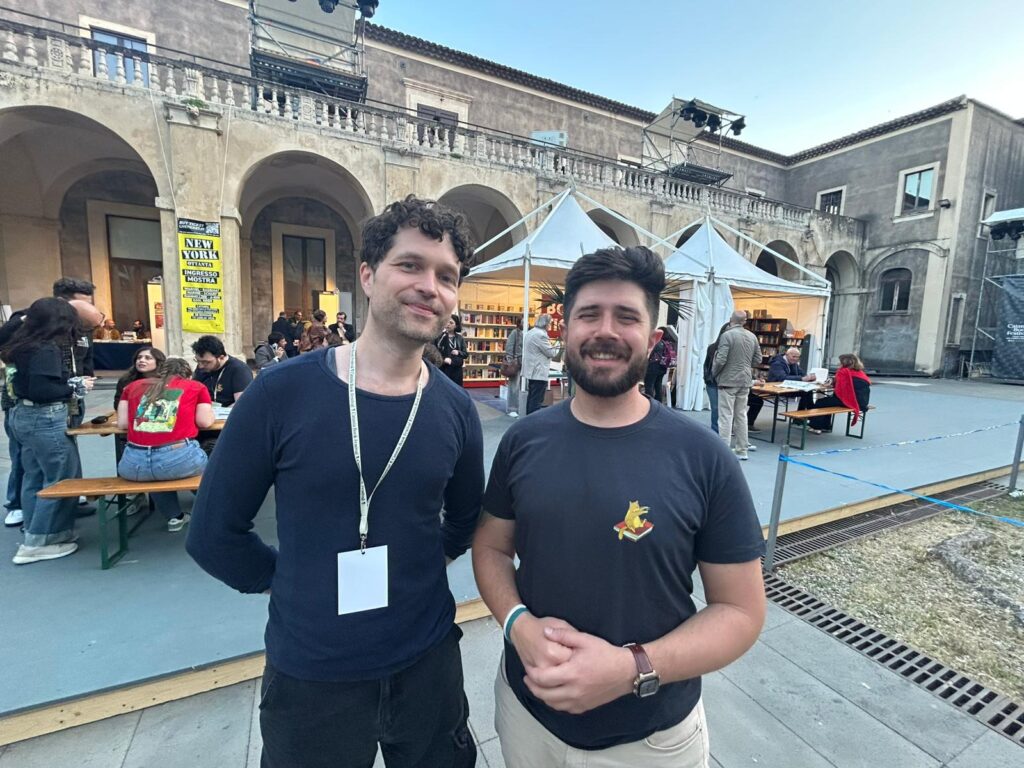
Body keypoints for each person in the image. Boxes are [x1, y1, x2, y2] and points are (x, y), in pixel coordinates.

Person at [187, 195, 483, 768]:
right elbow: (214, 533)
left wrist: (419, 566)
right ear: (368, 276)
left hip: (428, 665)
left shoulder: (455, 410)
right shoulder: (280, 394)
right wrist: (291, 581)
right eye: (411, 265)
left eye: (447, 276)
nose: (431, 286)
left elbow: (466, 519)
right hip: (312, 676)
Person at [473, 246, 766, 768]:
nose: (605, 330)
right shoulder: (524, 441)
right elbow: (492, 547)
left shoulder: (704, 457)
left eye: (626, 316)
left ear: (653, 340)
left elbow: (740, 611)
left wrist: (632, 667)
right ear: (564, 331)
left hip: (651, 740)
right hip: (525, 718)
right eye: (589, 314)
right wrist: (517, 622)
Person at [0, 297, 96, 564]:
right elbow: (43, 390)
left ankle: (33, 529)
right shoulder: (46, 349)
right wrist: (74, 387)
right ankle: (42, 539)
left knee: (35, 475)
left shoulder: (21, 344)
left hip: (23, 415)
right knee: (59, 479)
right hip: (44, 418)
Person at [117, 358, 212, 531]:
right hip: (177, 460)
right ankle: (211, 508)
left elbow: (122, 424)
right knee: (211, 462)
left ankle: (174, 517)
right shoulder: (196, 387)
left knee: (155, 475)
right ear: (187, 375)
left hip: (133, 465)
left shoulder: (132, 386)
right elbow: (205, 422)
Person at [711, 310, 762, 460]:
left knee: (726, 416)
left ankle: (724, 451)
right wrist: (746, 366)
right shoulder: (752, 336)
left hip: (728, 380)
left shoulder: (727, 336)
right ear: (744, 321)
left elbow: (721, 359)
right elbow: (758, 359)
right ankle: (742, 449)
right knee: (741, 415)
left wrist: (715, 373)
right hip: (745, 380)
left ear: (730, 320)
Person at [192, 335, 252, 455]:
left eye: (206, 362)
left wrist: (215, 412)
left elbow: (242, 402)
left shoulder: (238, 369)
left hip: (223, 427)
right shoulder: (202, 368)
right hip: (202, 420)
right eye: (198, 361)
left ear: (221, 357)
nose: (201, 366)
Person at [113, 346, 167, 462]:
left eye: (148, 358)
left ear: (158, 362)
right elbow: (117, 404)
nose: (141, 360)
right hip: (130, 425)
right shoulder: (126, 380)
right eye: (139, 358)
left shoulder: (166, 381)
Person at [807, 353, 871, 432]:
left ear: (845, 363)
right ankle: (825, 426)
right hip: (862, 402)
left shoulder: (843, 372)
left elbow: (840, 390)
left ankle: (816, 426)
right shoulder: (860, 373)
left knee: (821, 402)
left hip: (850, 401)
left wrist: (830, 384)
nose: (838, 364)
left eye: (840, 362)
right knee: (827, 402)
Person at [522, 314, 559, 415]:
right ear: (546, 323)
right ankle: (533, 422)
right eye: (550, 323)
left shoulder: (530, 332)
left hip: (532, 370)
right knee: (537, 400)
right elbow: (551, 353)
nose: (550, 326)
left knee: (532, 397)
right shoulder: (541, 335)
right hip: (538, 371)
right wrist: (557, 345)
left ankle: (528, 419)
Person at [702, 322, 730, 434]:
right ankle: (715, 432)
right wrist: (707, 378)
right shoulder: (712, 348)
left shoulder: (733, 349)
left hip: (727, 382)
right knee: (716, 409)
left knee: (726, 410)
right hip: (713, 382)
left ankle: (724, 432)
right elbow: (706, 364)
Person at [768, 346, 815, 410]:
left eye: (798, 357)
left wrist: (809, 377)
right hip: (777, 387)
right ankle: (808, 414)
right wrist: (801, 378)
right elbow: (782, 378)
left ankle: (806, 414)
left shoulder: (793, 363)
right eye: (794, 356)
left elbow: (802, 374)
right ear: (786, 355)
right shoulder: (777, 363)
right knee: (806, 392)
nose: (796, 359)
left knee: (808, 390)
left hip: (789, 386)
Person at [643, 328, 675, 403]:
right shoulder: (666, 343)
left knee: (649, 385)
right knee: (658, 385)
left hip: (653, 366)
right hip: (662, 367)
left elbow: (649, 354)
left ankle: (649, 402)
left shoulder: (657, 343)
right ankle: (658, 402)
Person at [435, 314, 467, 386]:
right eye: (446, 322)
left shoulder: (460, 338)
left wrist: (458, 352)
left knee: (457, 390)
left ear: (456, 325)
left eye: (451, 323)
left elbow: (465, 354)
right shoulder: (439, 337)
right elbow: (434, 353)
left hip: (457, 370)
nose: (448, 324)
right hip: (444, 368)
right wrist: (443, 359)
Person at [503, 317, 523, 417]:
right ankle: (512, 408)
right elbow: (509, 347)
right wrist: (511, 361)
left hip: (524, 364)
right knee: (514, 387)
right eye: (524, 321)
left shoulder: (526, 333)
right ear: (519, 323)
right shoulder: (515, 333)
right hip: (515, 364)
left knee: (521, 387)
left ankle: (519, 407)